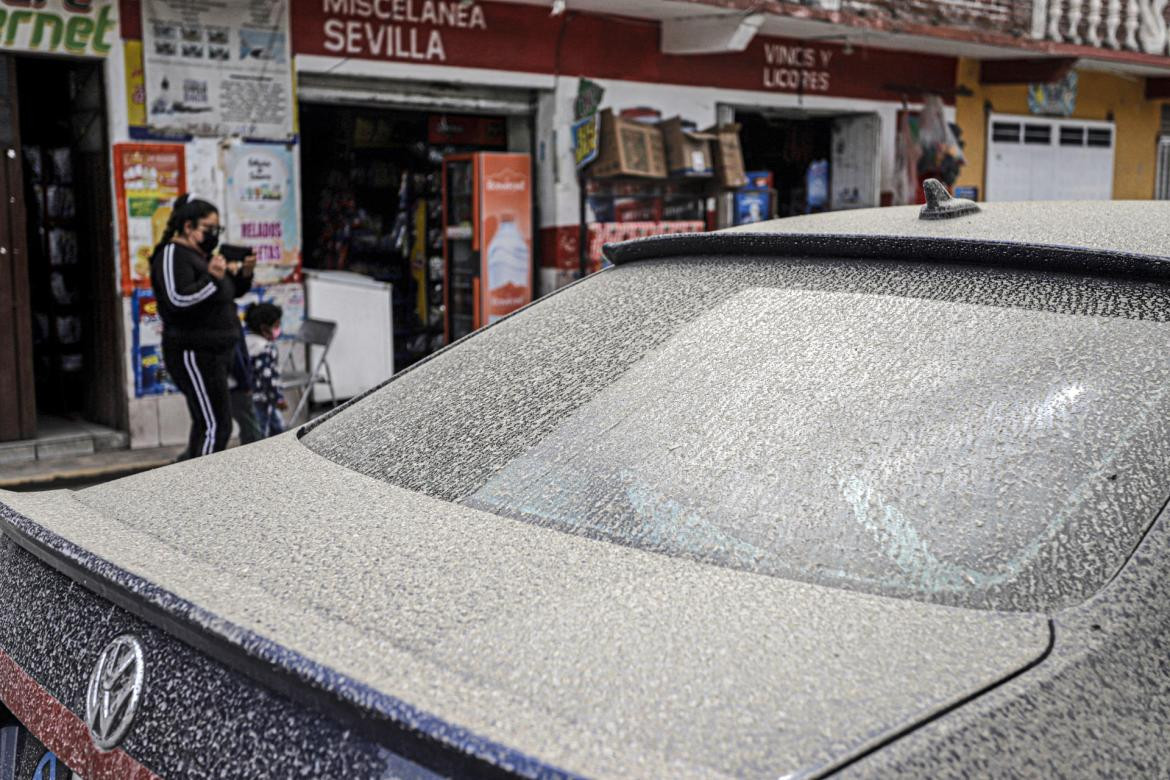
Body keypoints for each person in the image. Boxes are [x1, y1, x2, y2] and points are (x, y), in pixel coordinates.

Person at [150, 194, 255, 459]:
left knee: (208, 422)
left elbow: (226, 294)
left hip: (216, 351)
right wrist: (212, 277)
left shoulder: (202, 256)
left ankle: (189, 479)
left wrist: (243, 274)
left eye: (217, 229)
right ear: (188, 227)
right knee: (216, 425)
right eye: (208, 229)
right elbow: (177, 299)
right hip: (193, 352)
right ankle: (203, 486)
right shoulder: (172, 254)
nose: (214, 235)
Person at [244, 302, 286, 437]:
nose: (279, 329)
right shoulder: (265, 348)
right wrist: (279, 398)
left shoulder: (245, 342)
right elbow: (268, 376)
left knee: (261, 426)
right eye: (276, 326)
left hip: (248, 394)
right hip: (264, 397)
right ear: (264, 328)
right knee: (264, 429)